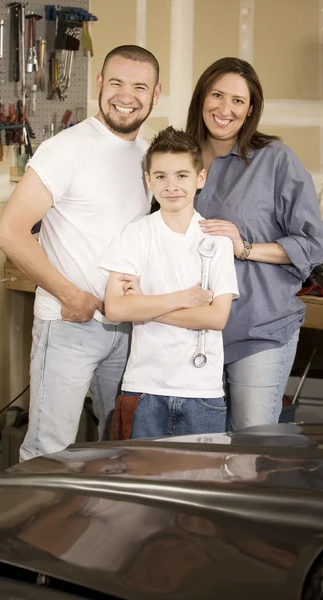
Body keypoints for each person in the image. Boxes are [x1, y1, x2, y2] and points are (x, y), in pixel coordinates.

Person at [0, 45, 162, 460]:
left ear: (156, 94)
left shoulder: (146, 158)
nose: (127, 96)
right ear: (100, 84)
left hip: (124, 328)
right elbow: (11, 233)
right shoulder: (65, 149)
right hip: (70, 324)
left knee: (119, 448)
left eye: (139, 86)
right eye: (117, 83)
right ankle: (33, 525)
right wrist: (72, 297)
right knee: (49, 449)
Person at [184, 57, 323, 430]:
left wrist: (244, 247)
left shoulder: (275, 160)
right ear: (201, 98)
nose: (225, 109)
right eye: (217, 95)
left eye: (237, 101)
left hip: (259, 330)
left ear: (250, 111)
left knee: (249, 453)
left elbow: (312, 245)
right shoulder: (179, 159)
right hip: (193, 332)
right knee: (198, 454)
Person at [100, 127, 239, 439]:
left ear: (200, 178)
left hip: (201, 392)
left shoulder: (216, 241)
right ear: (148, 180)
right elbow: (115, 308)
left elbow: (216, 318)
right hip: (143, 389)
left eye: (181, 175)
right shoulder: (135, 235)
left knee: (199, 485)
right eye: (160, 176)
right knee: (138, 484)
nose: (171, 186)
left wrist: (144, 306)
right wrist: (186, 298)